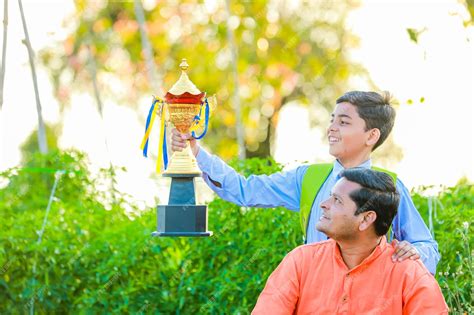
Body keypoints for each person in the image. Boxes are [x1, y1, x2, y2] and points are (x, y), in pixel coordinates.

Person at [171, 91, 440, 274]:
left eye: (343, 122)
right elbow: (245, 191)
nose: (331, 128)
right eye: (332, 120)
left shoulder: (391, 186)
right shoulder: (307, 178)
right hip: (315, 299)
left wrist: (411, 252)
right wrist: (197, 152)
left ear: (371, 135)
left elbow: (428, 249)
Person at [251, 168, 448, 314]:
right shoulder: (300, 262)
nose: (323, 204)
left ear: (365, 219)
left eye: (337, 200)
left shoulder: (409, 274)